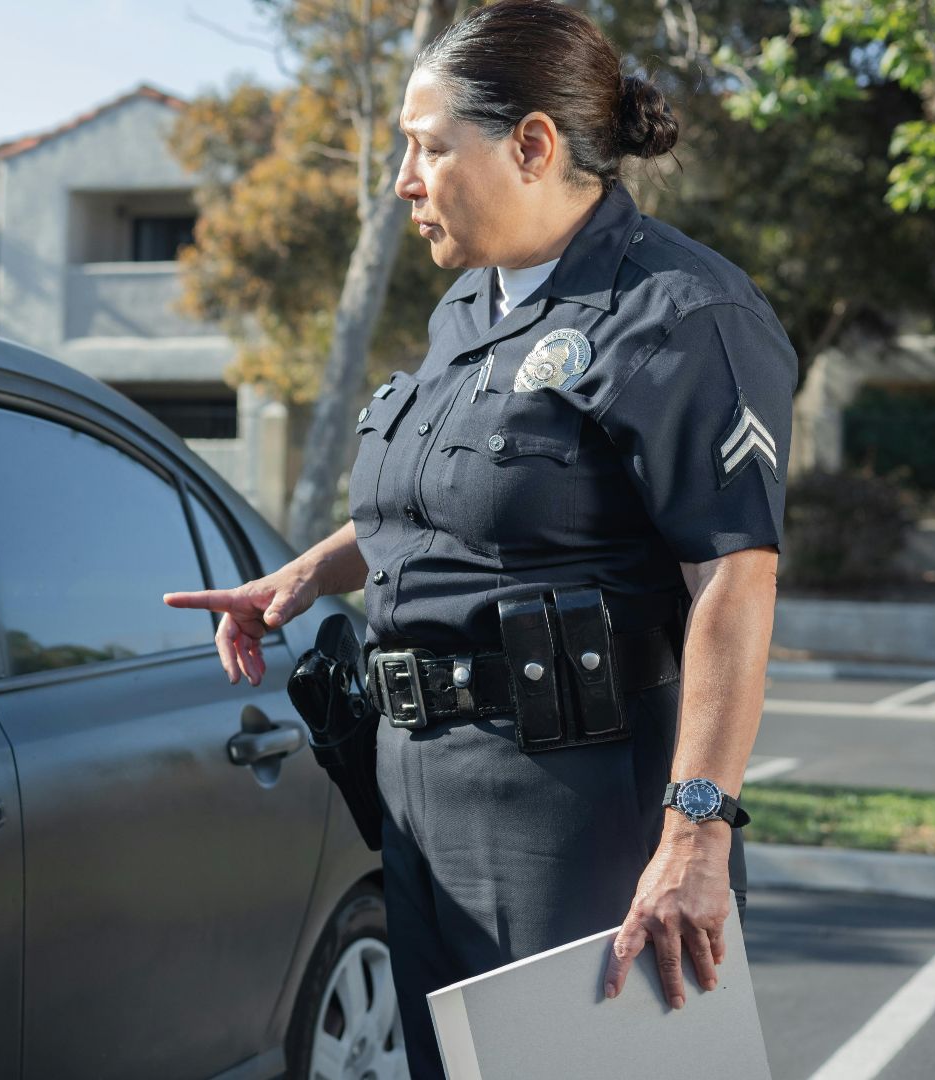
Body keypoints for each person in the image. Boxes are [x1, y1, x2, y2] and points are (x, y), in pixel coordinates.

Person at [165, 2, 792, 1074]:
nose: (405, 180)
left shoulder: (682, 313)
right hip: (416, 792)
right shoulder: (468, 310)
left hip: (573, 807)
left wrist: (696, 831)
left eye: (428, 148)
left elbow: (735, 573)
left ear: (533, 145)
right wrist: (306, 576)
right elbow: (443, 501)